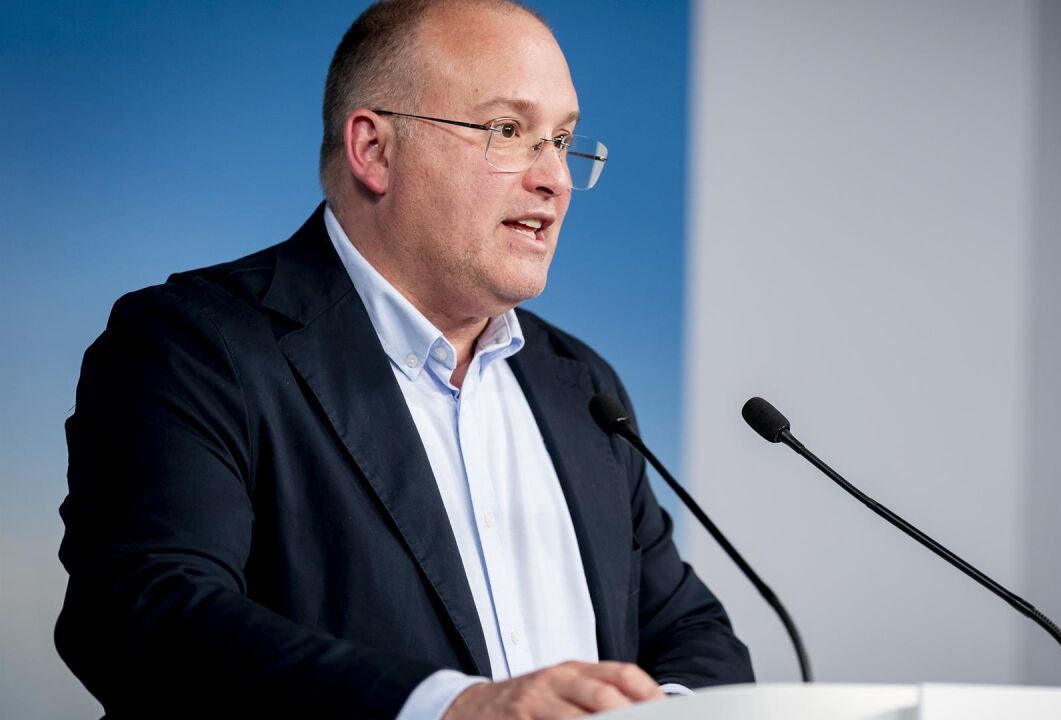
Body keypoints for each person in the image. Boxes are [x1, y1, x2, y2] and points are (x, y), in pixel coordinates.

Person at [55, 1, 753, 718]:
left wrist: (669, 712)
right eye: (508, 131)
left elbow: (691, 631)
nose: (555, 179)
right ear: (375, 150)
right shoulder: (195, 346)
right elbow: (148, 618)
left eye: (563, 140)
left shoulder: (581, 385)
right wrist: (451, 709)